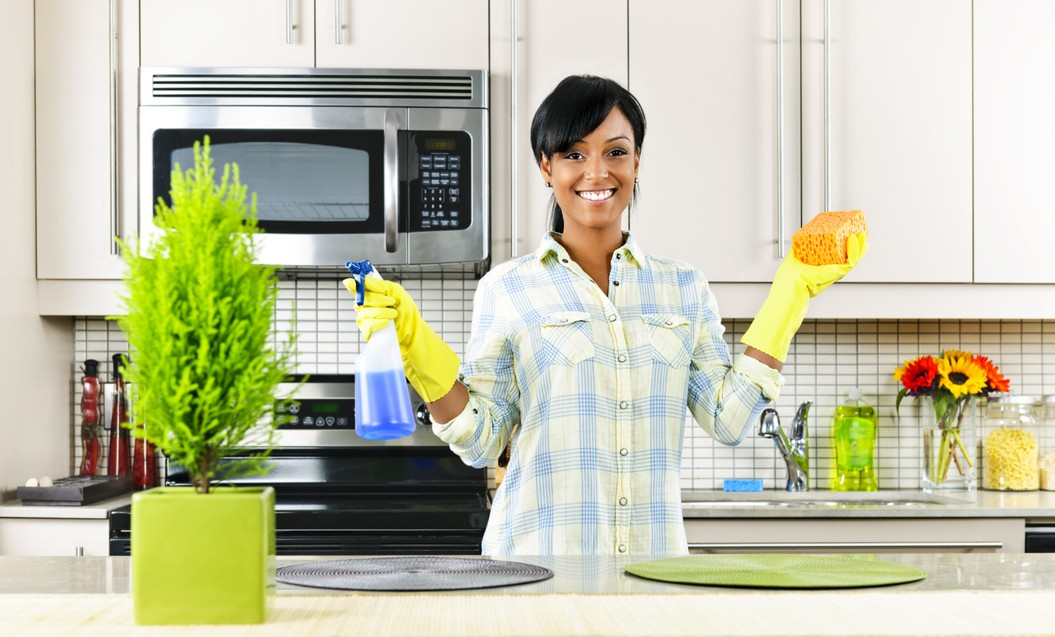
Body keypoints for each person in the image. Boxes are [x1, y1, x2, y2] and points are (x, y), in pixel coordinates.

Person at [343, 75, 867, 556]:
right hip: (534, 570)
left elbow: (729, 421)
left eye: (615, 152)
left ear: (636, 163)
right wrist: (415, 347)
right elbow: (482, 441)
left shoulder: (682, 287)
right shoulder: (507, 288)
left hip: (652, 575)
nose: (597, 172)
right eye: (574, 153)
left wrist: (789, 293)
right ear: (546, 167)